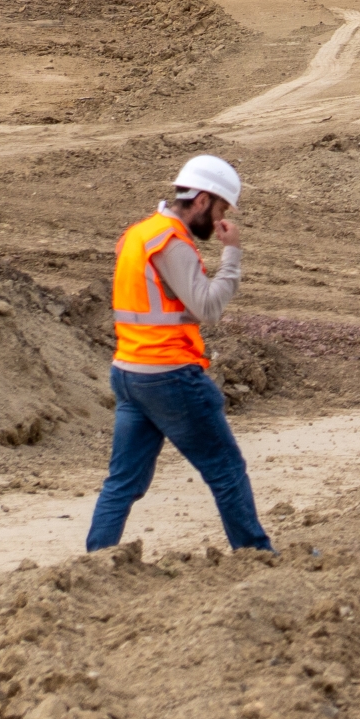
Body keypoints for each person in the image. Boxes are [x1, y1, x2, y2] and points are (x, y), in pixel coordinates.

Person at [86, 155, 273, 553]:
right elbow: (209, 308)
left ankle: (96, 562)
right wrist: (232, 255)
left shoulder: (139, 234)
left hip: (127, 372)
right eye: (221, 208)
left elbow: (160, 304)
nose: (220, 218)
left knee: (122, 483)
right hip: (168, 375)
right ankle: (258, 555)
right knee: (226, 469)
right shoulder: (172, 241)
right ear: (202, 200)